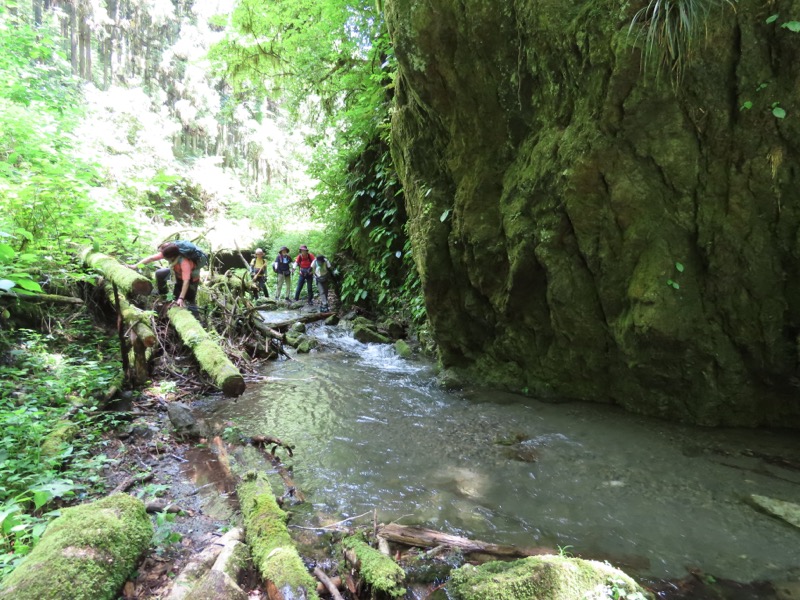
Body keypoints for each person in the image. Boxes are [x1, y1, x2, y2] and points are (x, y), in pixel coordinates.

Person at [133, 242, 201, 317]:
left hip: (190, 281)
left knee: (187, 301)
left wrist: (181, 298)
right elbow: (151, 258)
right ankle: (164, 295)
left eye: (165, 258)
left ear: (172, 257)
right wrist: (135, 266)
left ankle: (197, 320)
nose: (163, 258)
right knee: (160, 273)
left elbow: (186, 282)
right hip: (177, 274)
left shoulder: (184, 262)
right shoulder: (168, 252)